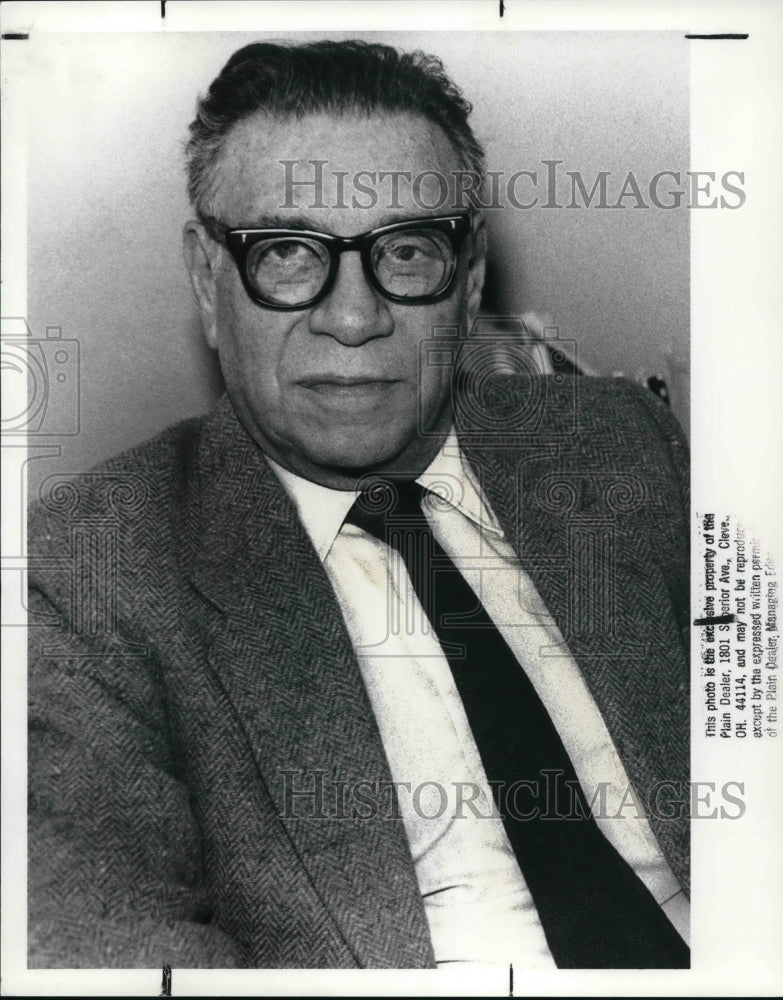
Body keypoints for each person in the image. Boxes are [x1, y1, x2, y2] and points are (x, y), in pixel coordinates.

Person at [27, 39, 690, 970]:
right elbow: (101, 941)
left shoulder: (617, 440)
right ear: (207, 282)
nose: (352, 316)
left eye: (406, 250)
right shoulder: (87, 571)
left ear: (467, 280)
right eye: (288, 253)